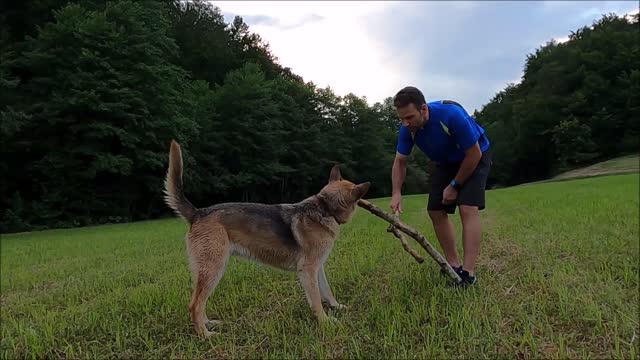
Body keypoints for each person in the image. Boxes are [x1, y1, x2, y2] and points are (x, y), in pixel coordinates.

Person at [389, 86, 492, 287]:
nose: (405, 123)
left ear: (424, 109)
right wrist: (396, 192)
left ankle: (468, 274)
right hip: (444, 162)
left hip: (475, 155)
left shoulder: (452, 115)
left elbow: (474, 154)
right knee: (435, 210)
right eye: (401, 119)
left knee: (467, 207)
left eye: (409, 117)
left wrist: (454, 185)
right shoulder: (407, 130)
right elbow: (400, 162)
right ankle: (453, 265)